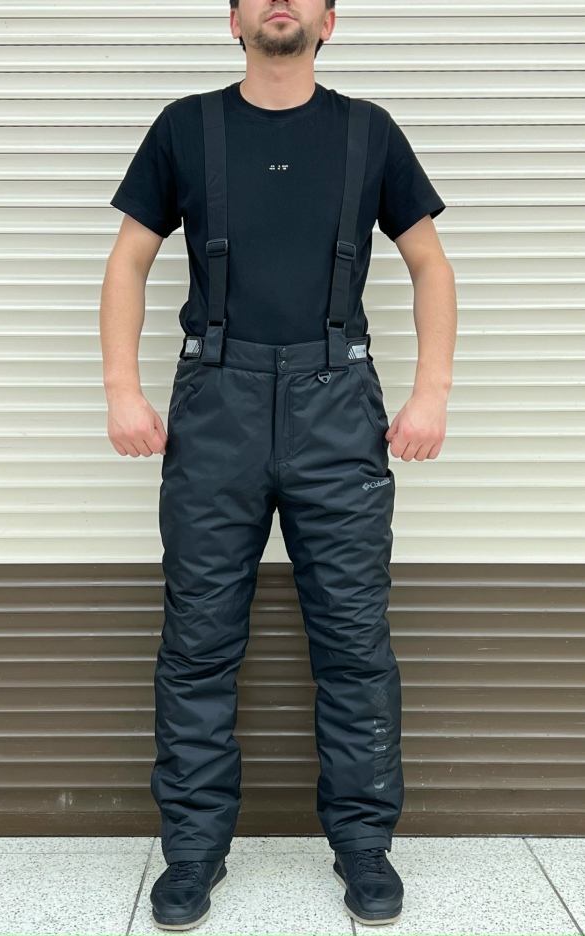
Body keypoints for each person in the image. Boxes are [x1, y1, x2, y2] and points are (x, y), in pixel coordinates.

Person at [100, 0, 457, 930]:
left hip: (336, 403)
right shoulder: (186, 127)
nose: (279, 2)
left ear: (330, 22)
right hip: (215, 403)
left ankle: (365, 845)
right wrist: (121, 391)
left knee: (353, 640)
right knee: (198, 640)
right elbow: (130, 259)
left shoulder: (369, 133)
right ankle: (191, 852)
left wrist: (431, 394)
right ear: (234, 21)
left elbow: (429, 262)